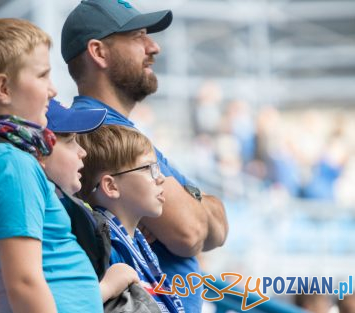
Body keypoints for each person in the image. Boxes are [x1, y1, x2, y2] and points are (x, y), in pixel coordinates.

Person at [62, 1, 228, 311]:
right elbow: (190, 233)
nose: (154, 47)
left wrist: (194, 201)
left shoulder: (124, 131)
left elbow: (218, 227)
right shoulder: (100, 130)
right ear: (98, 52)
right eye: (138, 36)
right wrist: (198, 202)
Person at [0, 18, 102, 313]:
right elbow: (24, 283)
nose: (53, 90)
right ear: (4, 89)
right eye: (43, 75)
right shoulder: (10, 164)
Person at [42, 99, 142, 306]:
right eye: (69, 141)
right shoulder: (37, 213)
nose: (82, 152)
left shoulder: (57, 208)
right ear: (40, 150)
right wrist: (105, 288)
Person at [76, 124, 185, 313]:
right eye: (147, 168)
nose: (161, 179)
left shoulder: (137, 243)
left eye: (157, 169)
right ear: (111, 186)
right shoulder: (100, 248)